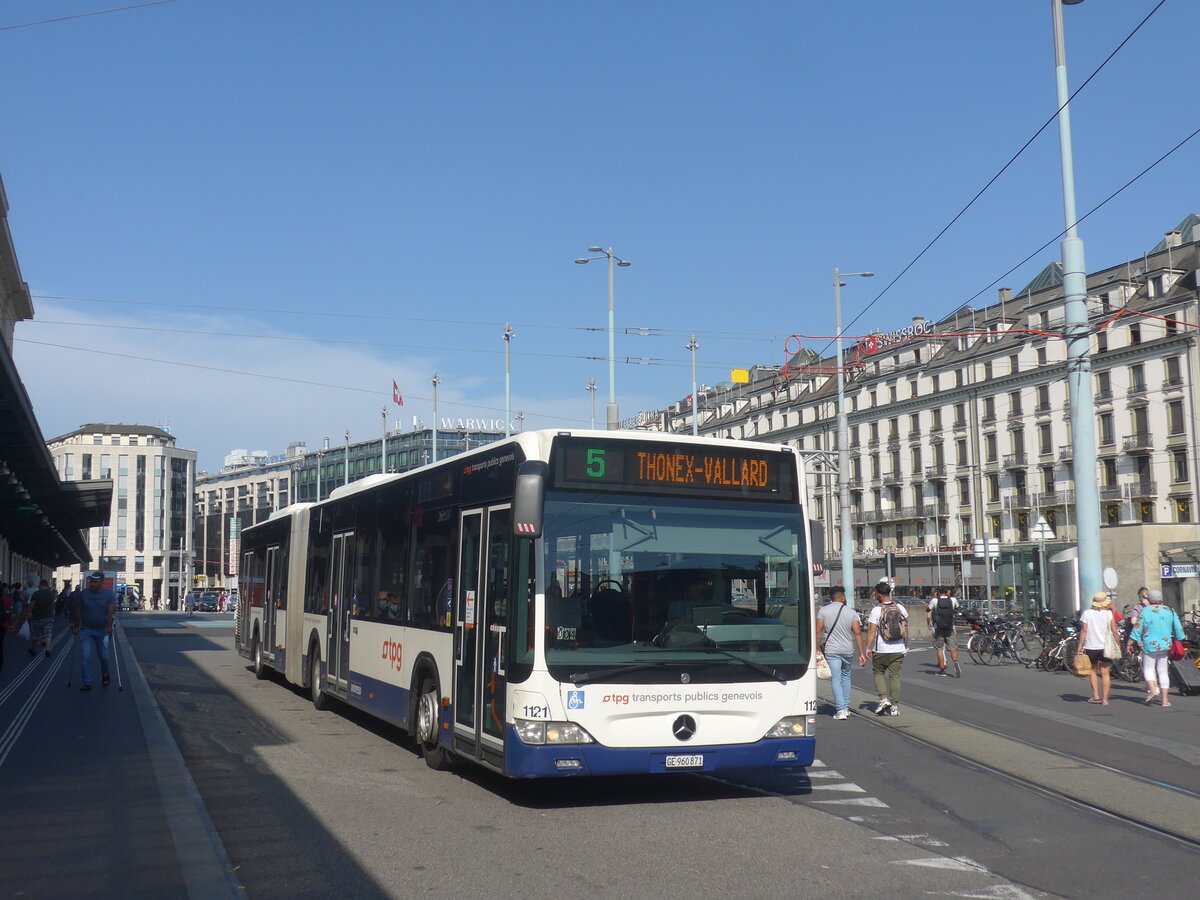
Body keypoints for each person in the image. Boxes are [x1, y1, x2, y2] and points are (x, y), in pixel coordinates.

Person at [1127, 589, 1186, 708]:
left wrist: (1130, 643)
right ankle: (1165, 700)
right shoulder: (1170, 610)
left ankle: (1153, 690)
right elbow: (1178, 628)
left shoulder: (1145, 611)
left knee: (1149, 668)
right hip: (1165, 644)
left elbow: (1137, 628)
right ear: (1161, 600)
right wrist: (1180, 639)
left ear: (1149, 600)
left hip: (1149, 644)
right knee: (1163, 671)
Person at [817, 587, 865, 719]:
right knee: (846, 676)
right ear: (842, 597)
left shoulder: (823, 611)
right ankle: (846, 707)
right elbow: (858, 633)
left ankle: (840, 709)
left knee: (836, 678)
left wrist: (816, 649)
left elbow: (818, 631)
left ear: (831, 598)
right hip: (847, 650)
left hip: (832, 650)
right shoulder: (851, 612)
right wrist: (862, 653)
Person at [865, 582, 908, 717]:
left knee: (878, 673)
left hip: (881, 649)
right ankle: (895, 707)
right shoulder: (900, 608)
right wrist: (906, 646)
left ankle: (883, 699)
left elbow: (872, 630)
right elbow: (905, 627)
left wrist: (867, 647)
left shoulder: (876, 610)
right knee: (895, 676)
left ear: (878, 594)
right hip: (898, 648)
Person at [72, 572, 116, 691]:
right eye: (90, 581)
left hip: (102, 630)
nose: (91, 584)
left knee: (104, 656)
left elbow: (110, 611)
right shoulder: (84, 594)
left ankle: (105, 673)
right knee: (85, 655)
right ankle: (87, 682)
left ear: (102, 582)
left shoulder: (109, 594)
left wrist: (109, 626)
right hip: (86, 629)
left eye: (94, 582)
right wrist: (76, 626)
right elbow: (79, 610)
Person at [1077, 592, 1121, 705]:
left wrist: (1080, 645)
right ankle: (1105, 699)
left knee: (1092, 671)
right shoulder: (1108, 614)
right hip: (1105, 647)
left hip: (1091, 646)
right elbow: (1114, 631)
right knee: (1105, 672)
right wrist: (1118, 644)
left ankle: (1096, 695)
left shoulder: (1087, 613)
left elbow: (1084, 630)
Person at [926, 586, 962, 677]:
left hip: (939, 627)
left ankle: (942, 670)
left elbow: (928, 609)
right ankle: (955, 662)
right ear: (946, 592)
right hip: (950, 627)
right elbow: (957, 608)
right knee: (952, 647)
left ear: (938, 592)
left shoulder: (935, 601)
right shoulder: (953, 600)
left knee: (939, 648)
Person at [25, 579, 57, 658]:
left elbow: (31, 605)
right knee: (48, 634)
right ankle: (48, 650)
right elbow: (54, 604)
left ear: (41, 585)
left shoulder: (36, 594)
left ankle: (33, 650)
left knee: (36, 635)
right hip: (49, 617)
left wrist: (28, 613)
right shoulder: (52, 594)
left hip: (37, 617)